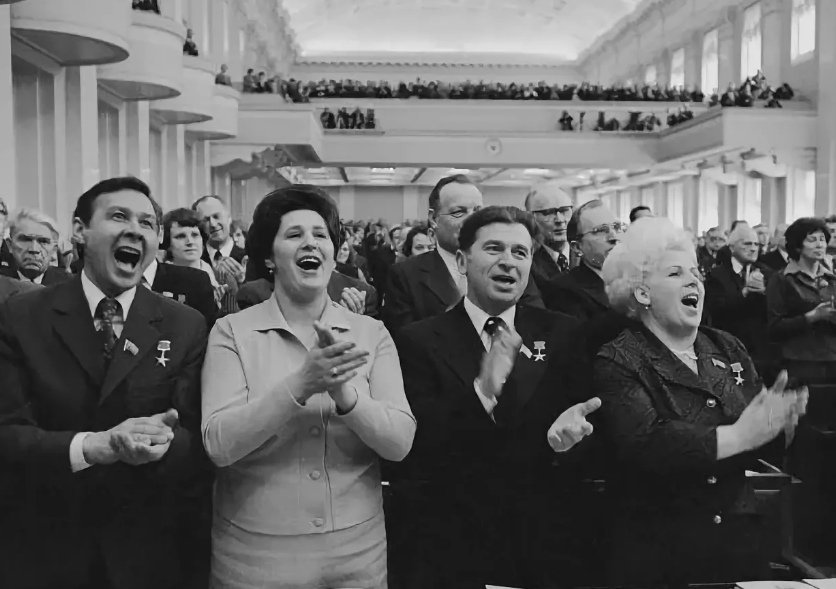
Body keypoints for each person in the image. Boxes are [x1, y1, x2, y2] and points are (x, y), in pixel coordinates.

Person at [201, 185, 415, 589]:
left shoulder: (371, 333)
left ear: (334, 254)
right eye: (294, 234)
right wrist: (301, 384)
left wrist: (345, 395)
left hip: (357, 553)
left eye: (320, 235)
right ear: (269, 257)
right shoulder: (231, 332)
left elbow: (399, 442)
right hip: (253, 554)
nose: (311, 243)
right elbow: (219, 444)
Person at [0, 176, 209, 589]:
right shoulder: (21, 316)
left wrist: (159, 442)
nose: (135, 229)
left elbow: (195, 435)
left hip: (147, 550)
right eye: (118, 216)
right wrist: (93, 447)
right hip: (45, 544)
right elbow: (7, 431)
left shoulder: (184, 325)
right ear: (80, 230)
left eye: (147, 223)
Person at [393, 206, 601, 589]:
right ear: (462, 260)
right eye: (494, 249)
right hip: (457, 542)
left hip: (545, 542)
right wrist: (482, 393)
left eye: (520, 252)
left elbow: (590, 425)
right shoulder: (418, 340)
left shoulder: (564, 334)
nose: (508, 261)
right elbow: (419, 446)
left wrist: (569, 443)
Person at [593, 217, 807, 587]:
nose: (693, 281)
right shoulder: (618, 358)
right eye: (675, 273)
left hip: (737, 541)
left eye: (695, 272)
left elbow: (760, 438)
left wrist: (779, 426)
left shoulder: (727, 346)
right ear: (642, 294)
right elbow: (646, 443)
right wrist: (738, 436)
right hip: (660, 546)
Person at [383, 175, 541, 333]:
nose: (471, 220)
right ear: (433, 218)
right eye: (459, 212)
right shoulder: (405, 275)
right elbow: (403, 338)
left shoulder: (509, 266)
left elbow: (537, 324)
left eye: (478, 211)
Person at [704, 224, 773, 375]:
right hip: (730, 347)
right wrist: (744, 293)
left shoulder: (767, 273)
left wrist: (765, 293)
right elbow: (717, 312)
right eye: (747, 244)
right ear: (732, 247)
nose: (753, 248)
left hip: (761, 351)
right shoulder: (717, 275)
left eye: (756, 244)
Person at [542, 199, 623, 320]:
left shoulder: (637, 277)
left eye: (617, 227)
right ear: (577, 247)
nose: (614, 237)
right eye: (601, 230)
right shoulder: (562, 289)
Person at [149, 207, 220, 326]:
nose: (190, 242)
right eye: (180, 236)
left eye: (195, 235)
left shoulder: (222, 276)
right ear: (168, 243)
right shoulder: (154, 278)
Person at [524, 181, 573, 291]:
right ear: (530, 217)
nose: (560, 220)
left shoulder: (586, 253)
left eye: (564, 210)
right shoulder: (527, 264)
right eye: (548, 213)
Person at [0, 208, 69, 285]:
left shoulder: (69, 284)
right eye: (25, 240)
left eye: (43, 241)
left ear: (54, 250)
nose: (34, 249)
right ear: (10, 245)